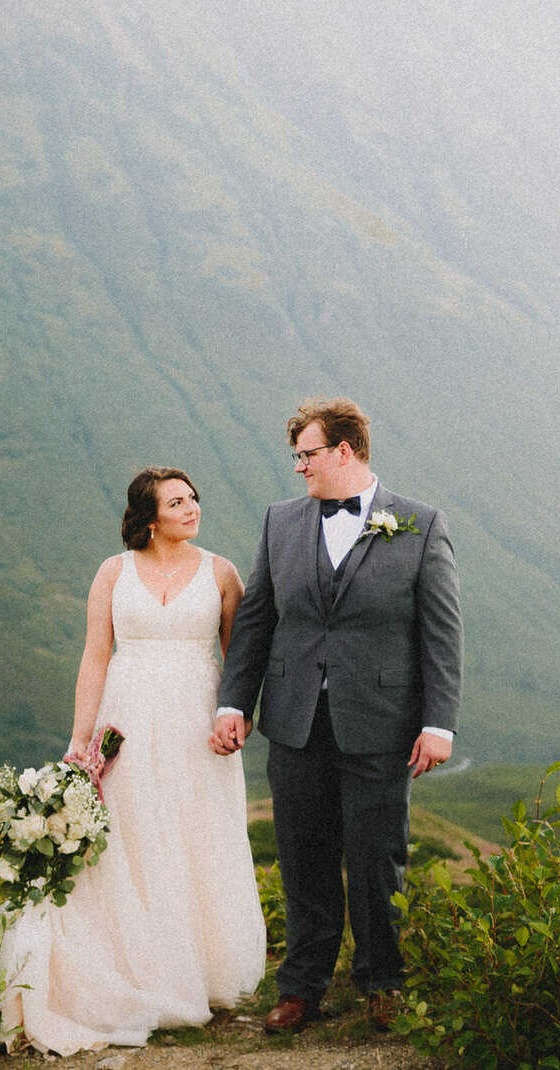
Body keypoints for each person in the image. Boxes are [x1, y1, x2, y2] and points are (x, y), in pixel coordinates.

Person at [211, 398, 462, 1031]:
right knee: (302, 855)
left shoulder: (419, 524)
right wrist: (236, 701)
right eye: (296, 455)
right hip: (295, 719)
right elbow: (259, 619)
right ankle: (301, 988)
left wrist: (439, 723)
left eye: (307, 454)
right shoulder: (280, 522)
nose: (298, 467)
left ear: (344, 452)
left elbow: (440, 634)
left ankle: (383, 982)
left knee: (378, 856)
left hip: (380, 721)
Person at [0, 467, 268, 1053]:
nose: (192, 508)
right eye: (177, 502)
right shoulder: (112, 573)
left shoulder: (222, 573)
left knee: (195, 835)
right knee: (132, 836)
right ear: (150, 518)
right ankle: (136, 968)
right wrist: (79, 740)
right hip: (128, 723)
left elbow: (240, 657)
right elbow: (96, 656)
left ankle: (197, 971)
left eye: (194, 498)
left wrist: (237, 715)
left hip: (198, 724)